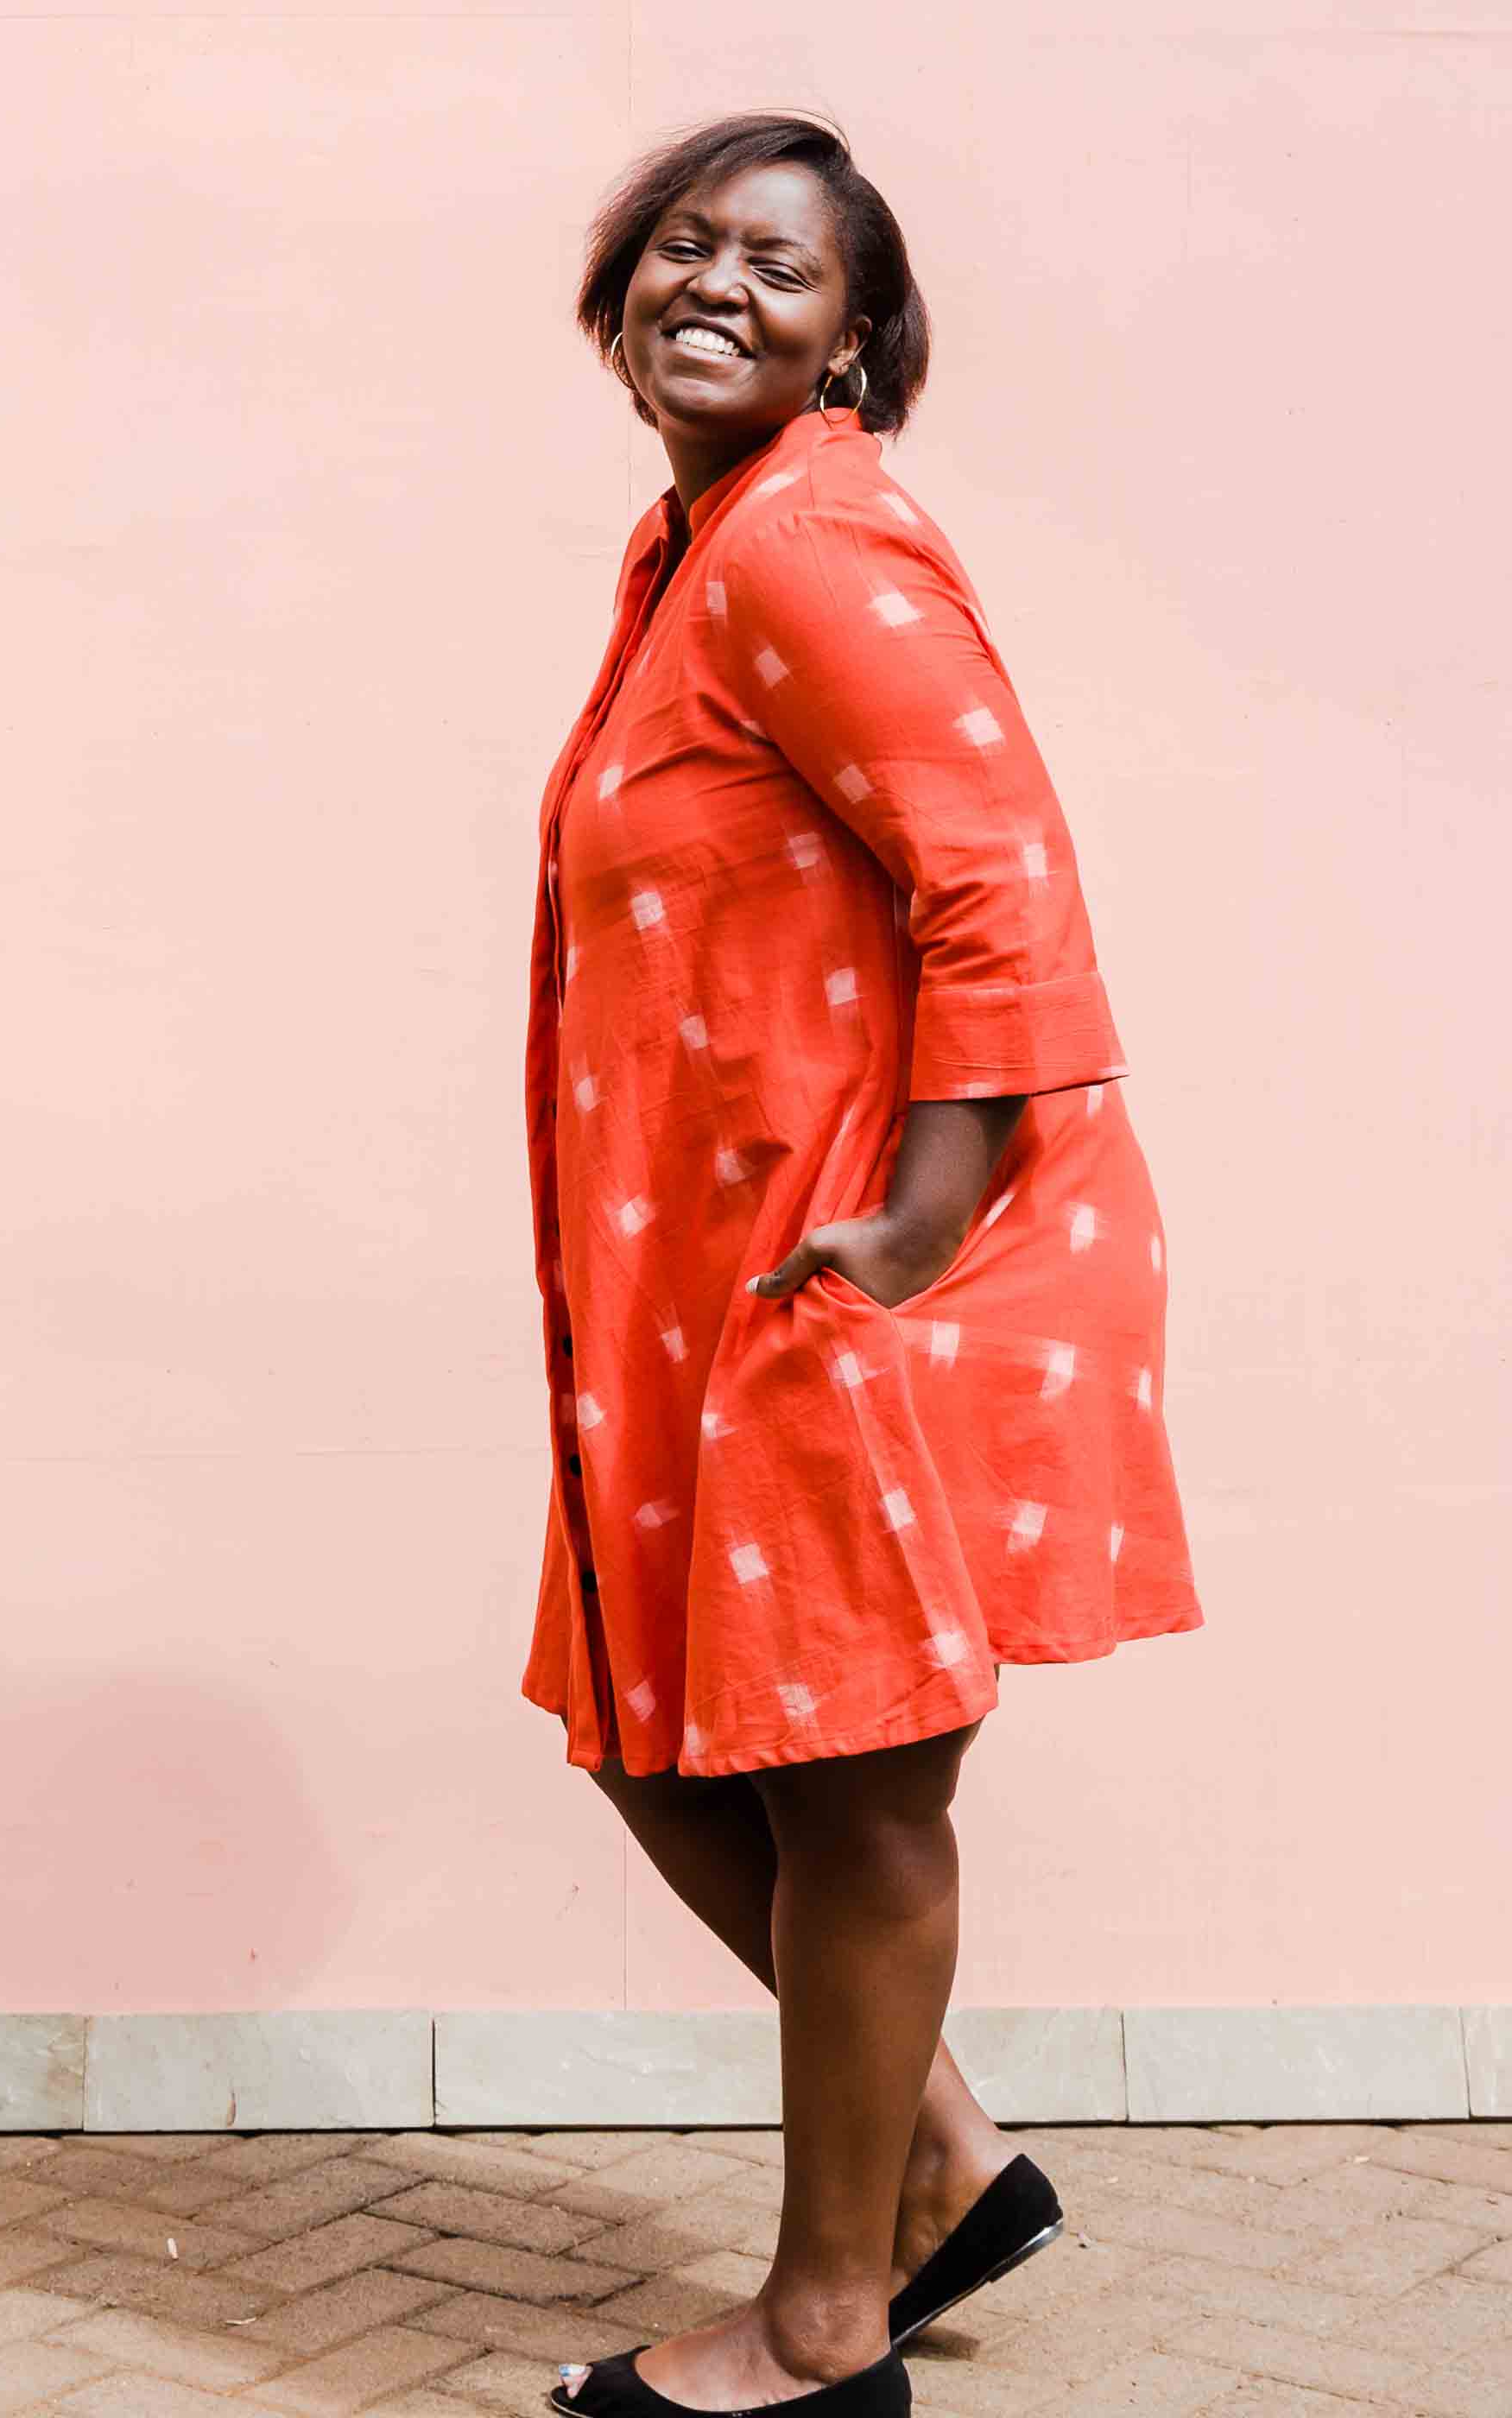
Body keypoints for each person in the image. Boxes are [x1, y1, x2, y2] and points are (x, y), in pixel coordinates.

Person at [521, 111, 1204, 2418]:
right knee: (657, 1728)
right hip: (710, 1276)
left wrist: (915, 1224)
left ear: (856, 349)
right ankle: (944, 2160)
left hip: (859, 1257)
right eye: (681, 242)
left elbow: (998, 869)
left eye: (780, 268)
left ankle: (827, 2330)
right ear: (617, 289)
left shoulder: (816, 537)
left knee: (854, 1782)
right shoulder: (692, 548)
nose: (713, 281)